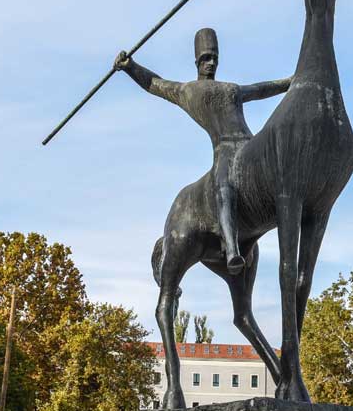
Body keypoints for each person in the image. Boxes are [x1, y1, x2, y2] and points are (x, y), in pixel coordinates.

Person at [116, 28, 291, 274]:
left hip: (251, 145)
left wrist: (291, 82)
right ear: (196, 60)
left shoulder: (231, 89)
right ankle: (232, 248)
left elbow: (261, 89)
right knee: (223, 184)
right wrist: (130, 67)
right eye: (206, 57)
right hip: (224, 149)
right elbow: (154, 83)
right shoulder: (187, 92)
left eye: (214, 58)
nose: (211, 63)